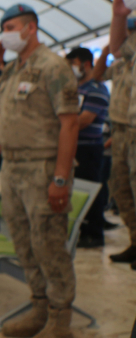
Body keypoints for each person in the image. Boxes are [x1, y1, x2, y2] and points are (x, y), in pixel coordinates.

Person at [0, 3, 79, 338]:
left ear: (30, 28)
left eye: (12, 26)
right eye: (3, 27)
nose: (6, 32)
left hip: (42, 168)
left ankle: (60, 322)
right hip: (13, 167)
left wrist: (61, 179)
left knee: (49, 245)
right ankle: (39, 309)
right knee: (24, 243)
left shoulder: (52, 66)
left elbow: (68, 123)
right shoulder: (13, 68)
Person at [65, 47, 110, 247]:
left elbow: (84, 120)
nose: (70, 69)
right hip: (72, 145)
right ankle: (79, 229)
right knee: (75, 190)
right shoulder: (73, 88)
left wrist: (63, 122)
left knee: (90, 189)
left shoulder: (97, 88)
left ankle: (94, 233)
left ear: (85, 64)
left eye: (72, 64)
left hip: (89, 148)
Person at [100, 18, 136, 263]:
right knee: (122, 189)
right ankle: (135, 240)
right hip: (120, 131)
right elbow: (97, 74)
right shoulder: (121, 64)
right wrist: (106, 49)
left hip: (133, 131)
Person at [109, 0, 136, 271]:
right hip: (125, 123)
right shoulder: (133, 29)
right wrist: (119, 14)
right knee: (123, 186)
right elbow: (117, 49)